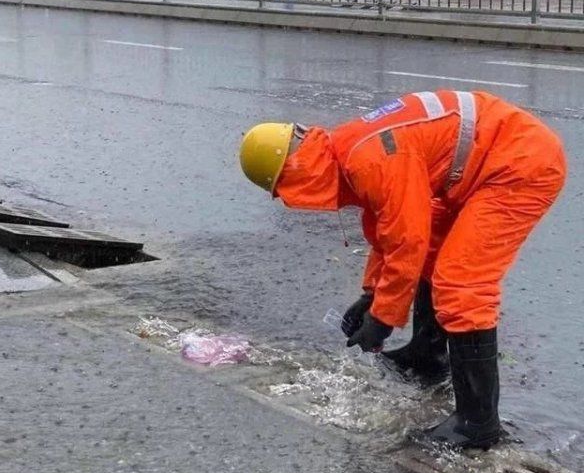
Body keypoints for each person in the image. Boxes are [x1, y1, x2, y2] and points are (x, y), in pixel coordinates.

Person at [239, 91, 566, 450]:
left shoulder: (369, 161)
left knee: (462, 282)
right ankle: (428, 355)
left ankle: (479, 424)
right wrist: (371, 295)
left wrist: (381, 320)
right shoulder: (347, 149)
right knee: (434, 251)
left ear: (291, 177)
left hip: (519, 165)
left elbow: (406, 240)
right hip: (491, 159)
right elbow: (390, 227)